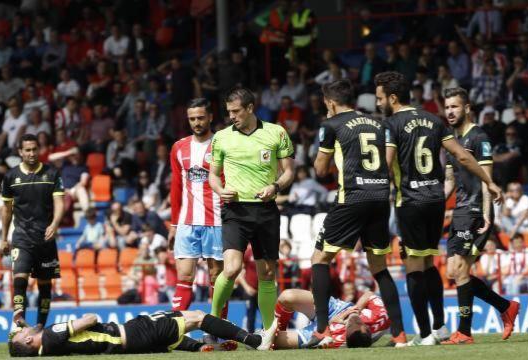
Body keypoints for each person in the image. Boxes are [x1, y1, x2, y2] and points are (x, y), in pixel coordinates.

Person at [375, 71, 502, 346]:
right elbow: (461, 155)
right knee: (430, 262)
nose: (378, 104)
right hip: (435, 201)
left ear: (393, 98)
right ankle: (440, 327)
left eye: (380, 98)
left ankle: (423, 334)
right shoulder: (435, 120)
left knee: (413, 268)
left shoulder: (391, 124)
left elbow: (386, 165)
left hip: (409, 202)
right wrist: (489, 181)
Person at [306, 79, 406, 348]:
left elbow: (320, 170)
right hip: (379, 197)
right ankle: (400, 335)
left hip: (352, 197)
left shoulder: (331, 125)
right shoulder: (378, 123)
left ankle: (322, 331)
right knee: (380, 268)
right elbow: (387, 161)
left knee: (320, 258)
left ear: (330, 102)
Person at [209, 87, 295, 332]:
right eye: (229, 112)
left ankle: (269, 332)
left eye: (236, 111)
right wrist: (219, 190)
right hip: (235, 210)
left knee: (267, 273)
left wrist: (275, 186)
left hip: (266, 209)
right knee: (232, 267)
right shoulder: (221, 137)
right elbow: (213, 176)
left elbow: (289, 171)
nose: (231, 116)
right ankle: (213, 320)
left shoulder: (276, 132)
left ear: (249, 108)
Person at [441, 87, 519, 345]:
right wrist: (433, 204)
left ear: (467, 108)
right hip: (460, 209)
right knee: (454, 271)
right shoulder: (452, 140)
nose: (449, 111)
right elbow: (450, 181)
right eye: (447, 106)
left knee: (461, 269)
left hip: (476, 210)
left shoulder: (479, 137)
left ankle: (464, 332)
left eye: (454, 106)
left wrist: (486, 214)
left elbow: (487, 179)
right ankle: (505, 306)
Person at [168, 98, 229, 330]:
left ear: (210, 117)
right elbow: (176, 186)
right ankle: (174, 332)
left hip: (216, 221)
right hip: (187, 222)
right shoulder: (179, 147)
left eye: (201, 117)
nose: (196, 122)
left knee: (217, 279)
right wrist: (174, 224)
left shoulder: (222, 143)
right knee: (184, 278)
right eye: (192, 118)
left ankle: (218, 331)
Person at [8, 308, 276, 356]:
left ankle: (206, 348)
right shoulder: (53, 334)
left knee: (170, 336)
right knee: (196, 317)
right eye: (22, 333)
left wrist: (20, 327)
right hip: (129, 333)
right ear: (30, 340)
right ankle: (254, 340)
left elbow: (24, 340)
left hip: (130, 343)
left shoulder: (47, 349)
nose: (26, 329)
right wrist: (82, 320)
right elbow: (90, 318)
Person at [0, 133, 65, 329]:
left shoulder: (52, 174)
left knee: (45, 285)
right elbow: (7, 210)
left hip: (45, 237)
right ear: (20, 152)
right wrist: (4, 238)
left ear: (39, 150)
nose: (31, 153)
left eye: (34, 149)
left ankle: (39, 327)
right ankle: (19, 317)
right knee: (19, 276)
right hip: (21, 236)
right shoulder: (11, 177)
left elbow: (60, 202)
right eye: (27, 150)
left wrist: (54, 224)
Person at [272, 288, 391, 349]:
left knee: (273, 340)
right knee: (286, 296)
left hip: (325, 329)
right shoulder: (380, 318)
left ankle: (271, 332)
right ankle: (279, 326)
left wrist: (332, 322)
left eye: (349, 325)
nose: (353, 319)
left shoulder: (340, 339)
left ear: (346, 332)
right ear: (367, 326)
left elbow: (321, 340)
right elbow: (369, 294)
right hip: (334, 307)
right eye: (359, 321)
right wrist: (357, 309)